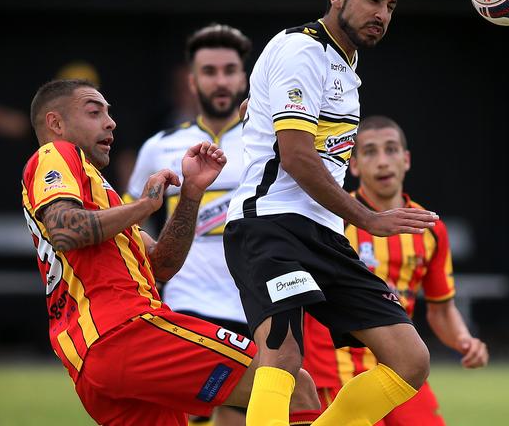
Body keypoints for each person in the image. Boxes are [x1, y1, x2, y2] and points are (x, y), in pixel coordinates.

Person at [21, 79, 320, 426]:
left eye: (109, 112)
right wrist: (144, 206)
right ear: (55, 123)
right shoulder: (55, 155)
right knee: (293, 385)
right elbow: (65, 230)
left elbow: (162, 265)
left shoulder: (102, 197)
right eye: (94, 111)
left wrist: (190, 195)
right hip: (125, 332)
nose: (110, 122)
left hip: (94, 359)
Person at [224, 0, 440, 426]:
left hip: (323, 235)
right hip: (270, 226)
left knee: (410, 360)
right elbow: (298, 156)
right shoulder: (302, 48)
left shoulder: (347, 67)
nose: (381, 14)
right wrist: (369, 218)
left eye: (390, 6)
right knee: (282, 357)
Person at [302, 115, 490, 425]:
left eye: (391, 150)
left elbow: (441, 309)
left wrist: (463, 339)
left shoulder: (429, 228)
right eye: (370, 152)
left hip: (403, 368)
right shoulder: (332, 221)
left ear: (406, 160)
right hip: (340, 371)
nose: (383, 161)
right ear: (355, 165)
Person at [127, 23, 252, 426]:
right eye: (210, 71)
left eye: (230, 69)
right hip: (185, 304)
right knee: (184, 417)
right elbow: (129, 225)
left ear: (244, 77)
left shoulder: (268, 144)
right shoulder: (159, 146)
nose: (221, 80)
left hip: (254, 305)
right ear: (192, 80)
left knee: (238, 416)